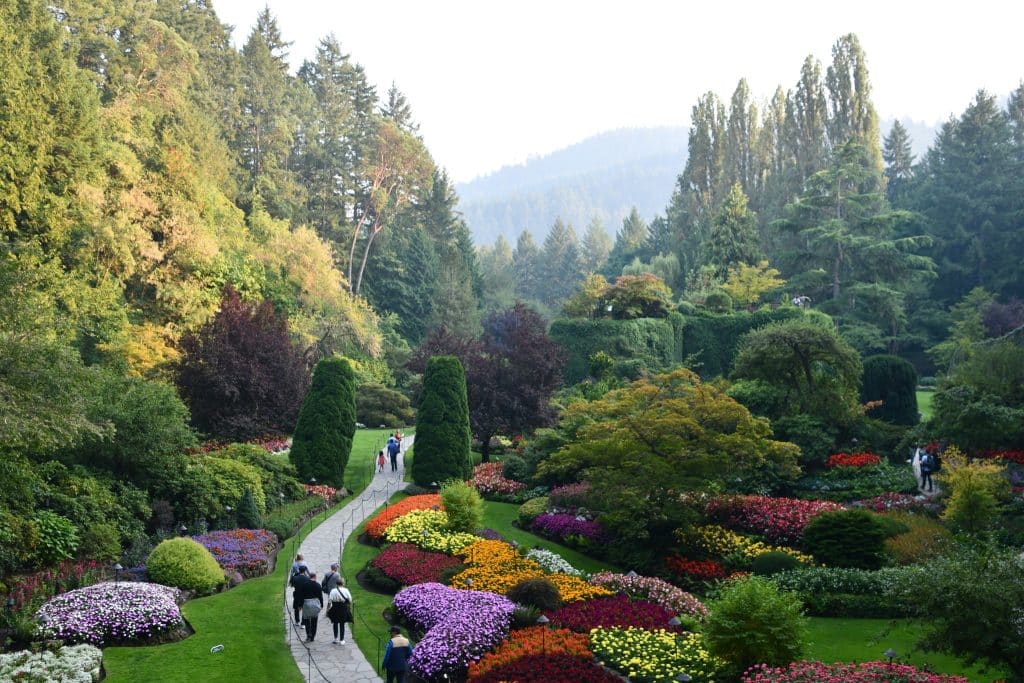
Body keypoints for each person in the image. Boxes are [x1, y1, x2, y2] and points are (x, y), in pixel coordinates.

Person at [326, 577, 354, 644]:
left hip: (335, 608)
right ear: (343, 583)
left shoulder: (333, 590)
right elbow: (350, 600)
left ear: (336, 583)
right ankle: (342, 640)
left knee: (335, 623)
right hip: (343, 608)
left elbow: (329, 601)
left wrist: (327, 610)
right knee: (342, 624)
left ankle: (336, 638)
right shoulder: (346, 590)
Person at [298, 571, 324, 642]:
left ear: (309, 577)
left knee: (306, 620)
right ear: (315, 577)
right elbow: (320, 596)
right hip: (315, 604)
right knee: (314, 621)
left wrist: (300, 605)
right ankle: (313, 636)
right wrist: (321, 605)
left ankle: (308, 634)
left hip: (306, 604)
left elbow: (301, 596)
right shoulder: (318, 585)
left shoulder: (304, 585)